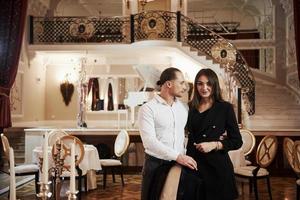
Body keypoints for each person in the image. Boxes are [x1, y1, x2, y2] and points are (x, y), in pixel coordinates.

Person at [138, 67, 198, 200]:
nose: (185, 87)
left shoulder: (184, 108)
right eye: (181, 83)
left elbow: (190, 132)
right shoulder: (147, 109)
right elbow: (149, 143)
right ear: (169, 84)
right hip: (155, 165)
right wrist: (178, 156)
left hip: (179, 166)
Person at [186, 68, 243, 200]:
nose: (204, 88)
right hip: (193, 165)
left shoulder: (225, 108)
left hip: (217, 167)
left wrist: (214, 144)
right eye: (200, 83)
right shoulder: (190, 107)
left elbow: (237, 141)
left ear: (214, 85)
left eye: (208, 84)